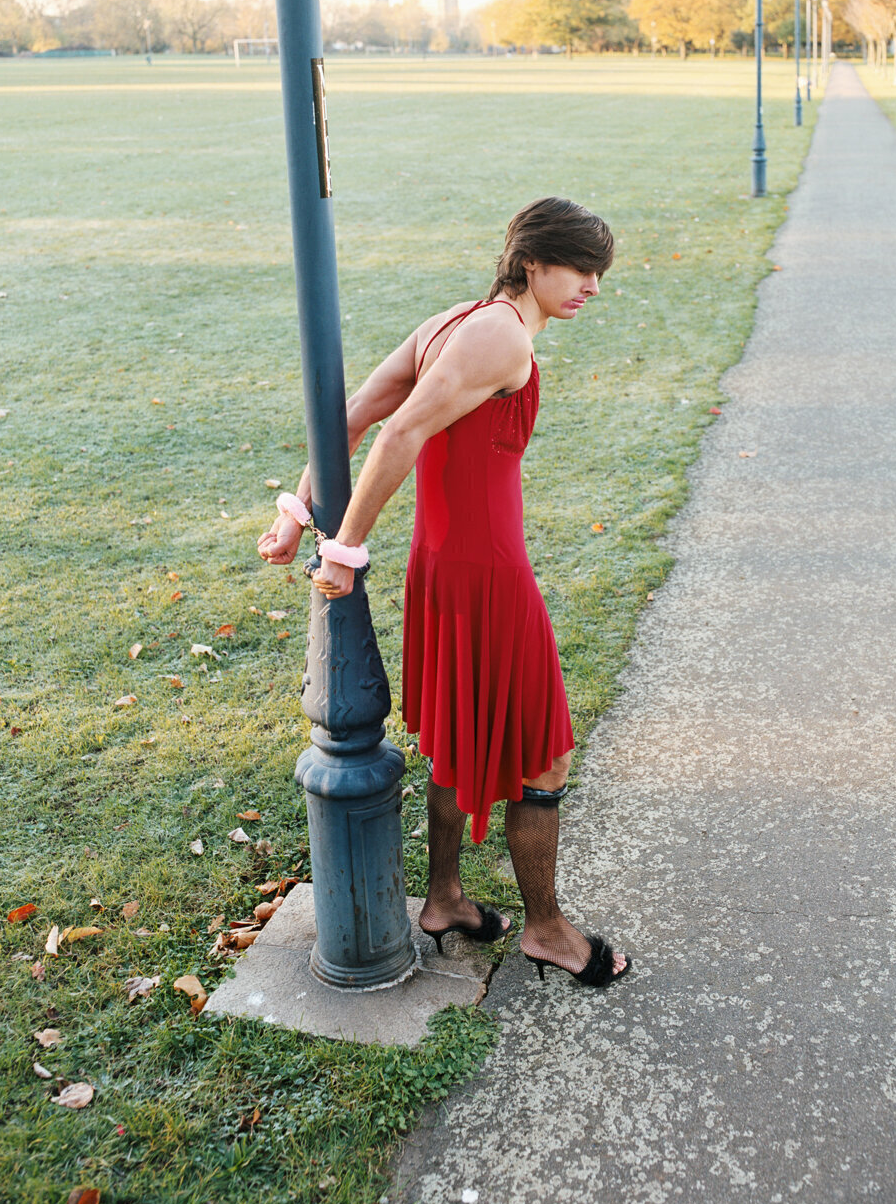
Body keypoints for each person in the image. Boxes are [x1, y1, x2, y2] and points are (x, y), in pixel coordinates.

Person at [257, 196, 630, 987]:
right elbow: (395, 433)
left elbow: (350, 418)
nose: (593, 286)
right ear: (532, 262)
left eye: (599, 273)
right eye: (581, 268)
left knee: (460, 733)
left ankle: (446, 902)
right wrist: (344, 548)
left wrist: (295, 514)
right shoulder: (499, 334)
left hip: (446, 564)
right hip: (486, 571)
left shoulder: (455, 319)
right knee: (546, 753)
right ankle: (547, 930)